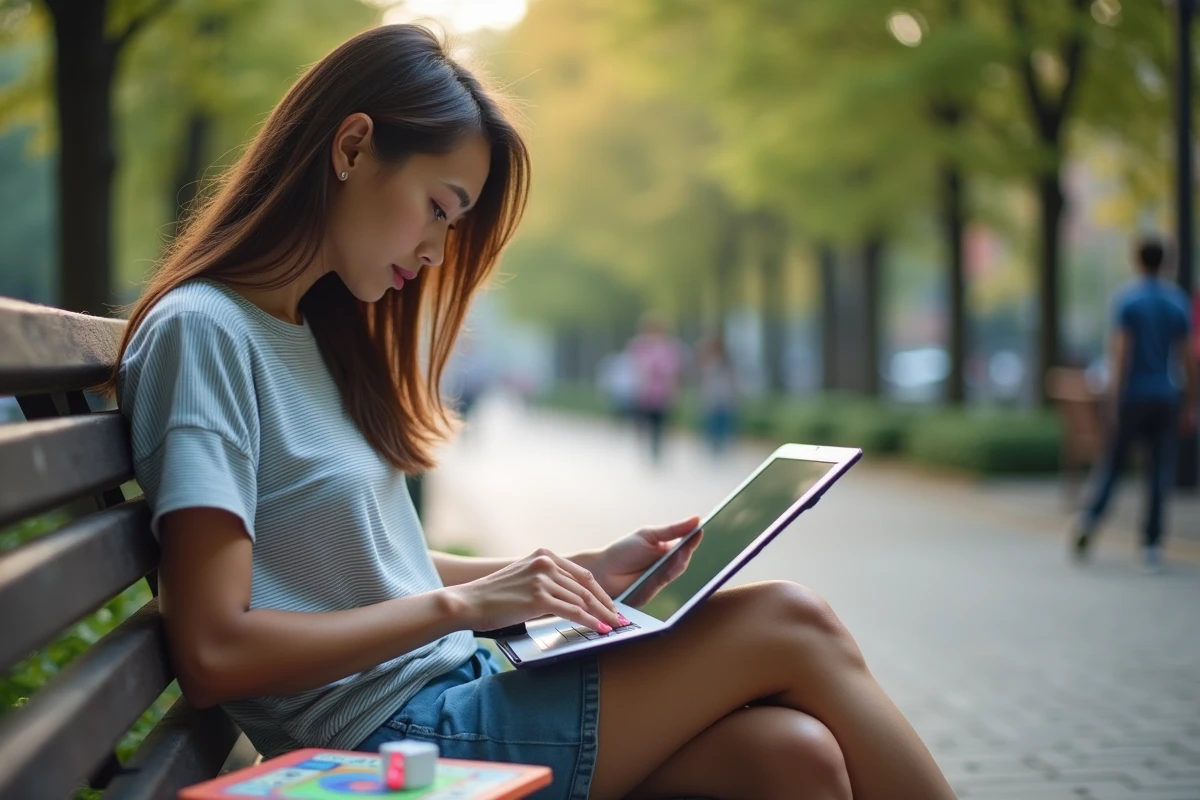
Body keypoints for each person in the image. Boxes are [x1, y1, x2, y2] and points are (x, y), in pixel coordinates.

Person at [110, 25, 954, 800]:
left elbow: (368, 565)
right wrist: (469, 608)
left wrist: (565, 576)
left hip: (448, 694)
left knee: (792, 757)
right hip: (387, 744)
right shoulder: (207, 334)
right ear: (355, 146)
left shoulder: (307, 331)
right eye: (439, 208)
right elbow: (216, 652)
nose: (438, 251)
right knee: (789, 620)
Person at [1073, 236, 1197, 573]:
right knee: (1159, 470)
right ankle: (1152, 544)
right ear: (1165, 262)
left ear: (1137, 261)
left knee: (1114, 464)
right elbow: (1188, 358)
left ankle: (1091, 518)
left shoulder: (1128, 301)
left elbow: (1121, 354)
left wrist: (1112, 398)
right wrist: (1191, 400)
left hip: (1133, 396)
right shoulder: (1177, 303)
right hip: (1165, 395)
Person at [628, 316, 685, 464]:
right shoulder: (640, 346)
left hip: (663, 392)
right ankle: (647, 447)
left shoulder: (670, 348)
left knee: (660, 423)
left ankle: (657, 450)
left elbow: (674, 371)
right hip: (645, 392)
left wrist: (675, 390)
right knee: (645, 423)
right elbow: (635, 368)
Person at [696, 331, 739, 456]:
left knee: (723, 421)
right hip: (711, 395)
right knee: (712, 421)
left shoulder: (727, 360)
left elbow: (733, 378)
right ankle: (713, 444)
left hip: (724, 395)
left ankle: (721, 444)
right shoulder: (705, 359)